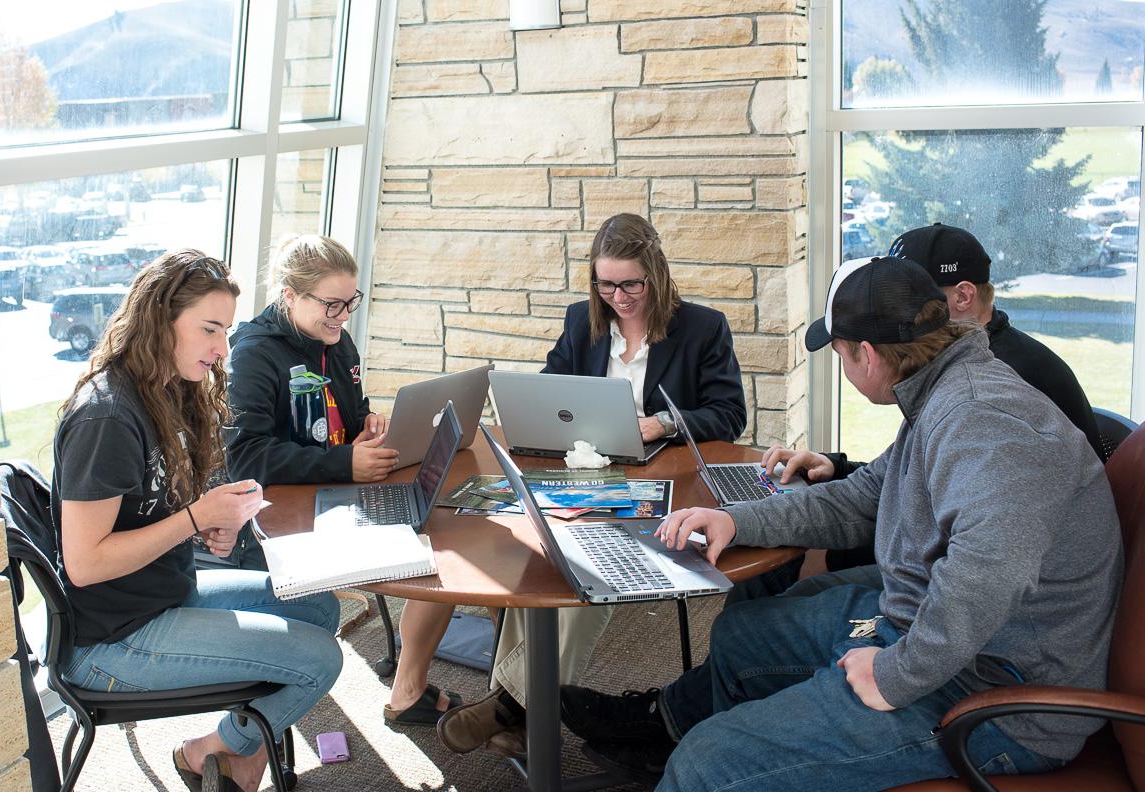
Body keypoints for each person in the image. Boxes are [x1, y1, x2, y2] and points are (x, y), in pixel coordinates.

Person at [557, 255, 1122, 790]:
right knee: (740, 636)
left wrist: (895, 674)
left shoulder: (981, 419)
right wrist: (736, 520)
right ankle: (678, 739)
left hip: (998, 696)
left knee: (707, 764)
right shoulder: (941, 393)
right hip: (946, 635)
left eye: (842, 354)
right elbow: (858, 499)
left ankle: (708, 762)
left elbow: (991, 572)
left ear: (868, 355)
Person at [437, 213, 748, 757]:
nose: (619, 297)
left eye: (631, 284)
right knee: (542, 557)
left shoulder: (702, 327)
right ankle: (522, 715)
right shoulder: (583, 322)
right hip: (584, 478)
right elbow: (551, 390)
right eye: (606, 284)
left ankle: (510, 705)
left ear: (657, 274)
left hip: (656, 491)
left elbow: (729, 415)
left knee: (595, 568)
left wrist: (662, 423)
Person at [52, 250, 343, 792]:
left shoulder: (160, 391)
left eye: (226, 330)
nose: (220, 348)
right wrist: (193, 518)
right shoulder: (107, 417)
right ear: (160, 320)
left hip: (164, 592)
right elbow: (86, 564)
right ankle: (216, 752)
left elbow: (152, 512)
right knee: (320, 660)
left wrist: (212, 521)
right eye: (209, 329)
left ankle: (229, 752)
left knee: (320, 605)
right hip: (113, 640)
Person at [764, 223, 1105, 574]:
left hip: (1015, 575)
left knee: (812, 561)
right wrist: (838, 468)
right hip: (977, 544)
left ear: (962, 296)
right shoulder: (952, 364)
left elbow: (991, 549)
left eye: (911, 295)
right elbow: (932, 471)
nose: (894, 308)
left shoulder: (990, 389)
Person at [226, 235, 461, 727]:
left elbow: (350, 413)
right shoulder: (252, 354)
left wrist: (367, 425)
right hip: (276, 517)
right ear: (290, 295)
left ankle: (408, 684)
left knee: (441, 541)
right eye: (330, 304)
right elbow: (244, 456)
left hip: (333, 492)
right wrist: (342, 464)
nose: (342, 316)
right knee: (427, 545)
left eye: (349, 303)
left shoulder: (334, 339)